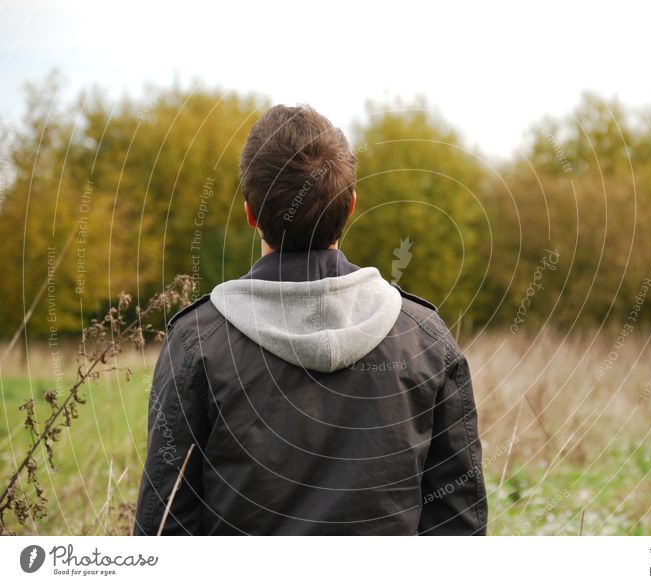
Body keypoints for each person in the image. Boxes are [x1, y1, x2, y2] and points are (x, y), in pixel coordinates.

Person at [134, 105, 487, 535]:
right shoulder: (425, 338)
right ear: (352, 206)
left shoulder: (197, 344)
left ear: (250, 214)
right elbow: (459, 528)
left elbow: (164, 530)